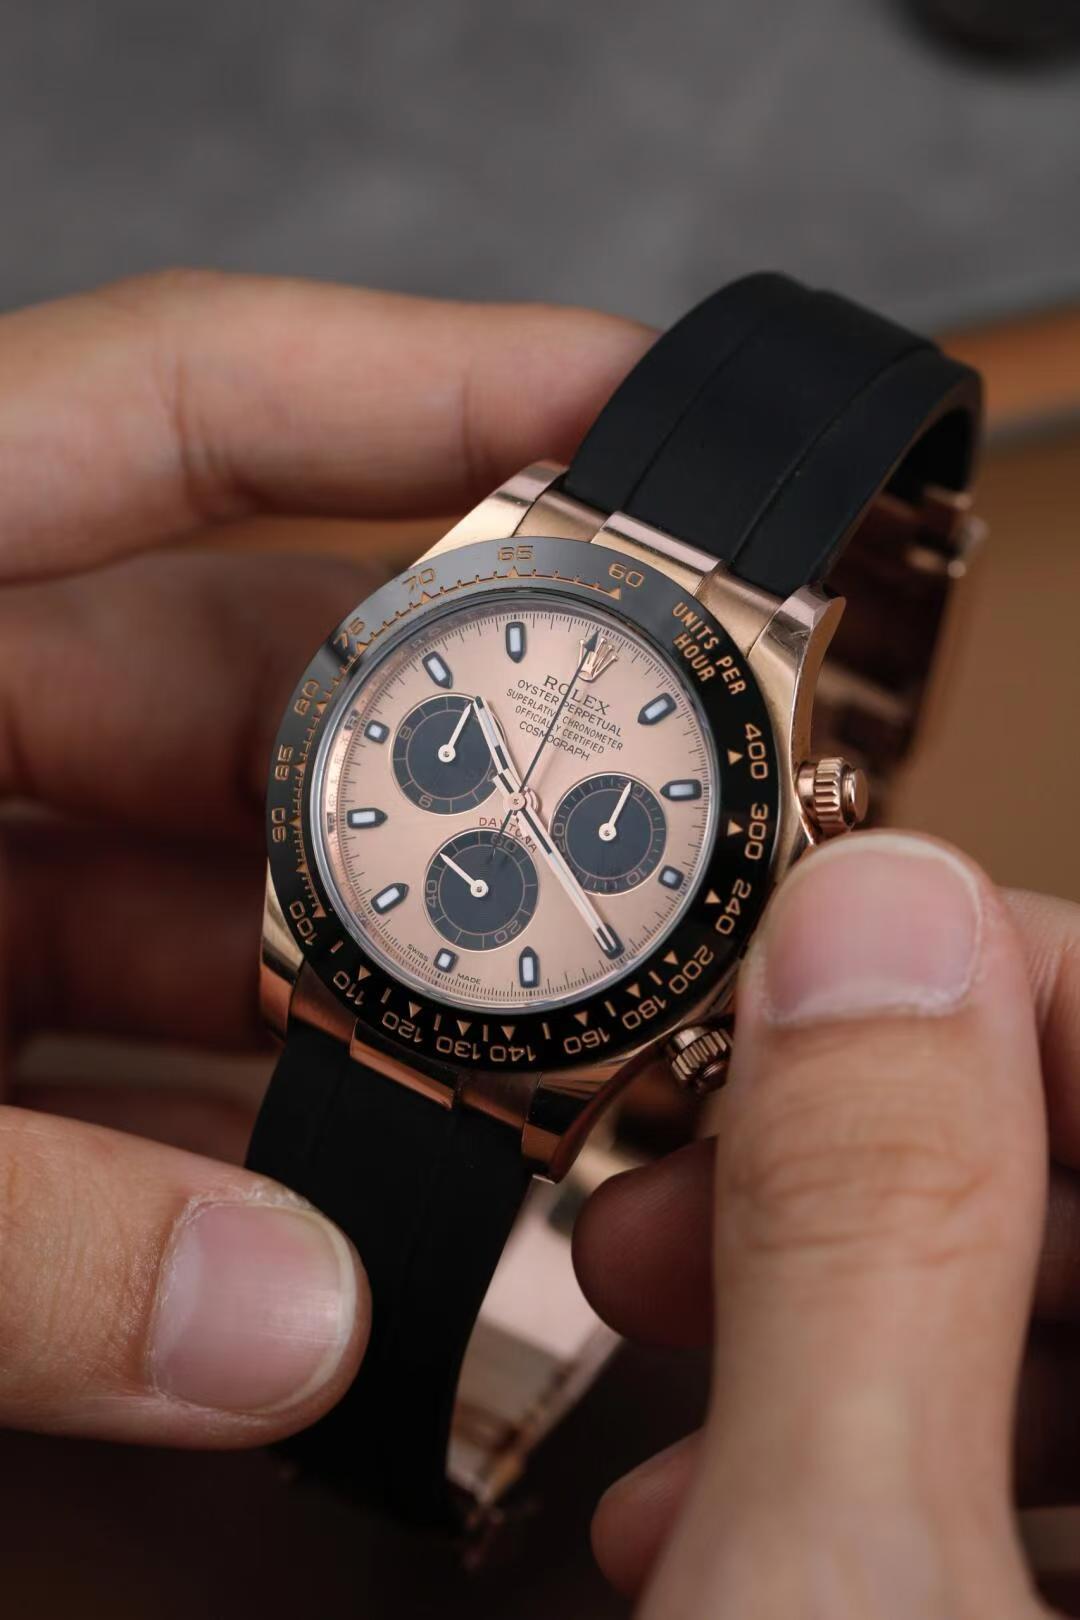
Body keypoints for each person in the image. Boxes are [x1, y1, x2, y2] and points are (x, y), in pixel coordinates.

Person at [0, 269, 1076, 1616]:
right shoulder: (510, 530)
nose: (507, 804)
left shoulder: (706, 671)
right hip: (383, 948)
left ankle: (403, 1426)